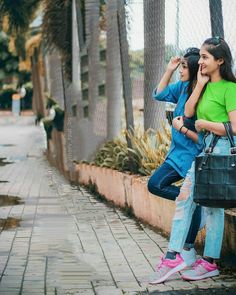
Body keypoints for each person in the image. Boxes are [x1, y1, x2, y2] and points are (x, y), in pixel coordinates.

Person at [149, 37, 236, 284]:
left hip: (219, 151)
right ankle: (192, 259)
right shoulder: (205, 85)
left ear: (220, 60)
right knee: (194, 202)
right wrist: (200, 85)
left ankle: (187, 258)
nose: (202, 61)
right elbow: (187, 113)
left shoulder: (231, 88)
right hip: (205, 153)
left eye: (206, 57)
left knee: (207, 206)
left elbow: (235, 126)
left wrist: (203, 124)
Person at [148, 48, 203, 266]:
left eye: (183, 67)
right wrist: (169, 70)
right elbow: (159, 94)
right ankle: (195, 203)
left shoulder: (202, 97)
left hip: (191, 156)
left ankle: (188, 247)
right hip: (176, 154)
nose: (181, 70)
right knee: (154, 184)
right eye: (180, 66)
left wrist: (181, 129)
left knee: (188, 198)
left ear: (194, 70)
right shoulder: (181, 88)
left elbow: (203, 138)